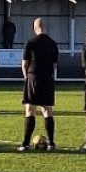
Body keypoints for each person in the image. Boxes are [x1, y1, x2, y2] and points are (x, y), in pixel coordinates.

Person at [17, 17, 58, 152]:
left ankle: (25, 144)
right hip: (47, 78)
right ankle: (51, 143)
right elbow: (54, 65)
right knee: (47, 110)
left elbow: (24, 64)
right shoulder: (52, 43)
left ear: (35, 28)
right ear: (44, 27)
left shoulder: (30, 42)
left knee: (30, 110)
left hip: (33, 76)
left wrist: (27, 77)